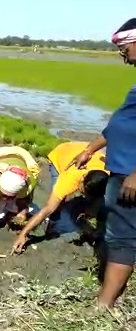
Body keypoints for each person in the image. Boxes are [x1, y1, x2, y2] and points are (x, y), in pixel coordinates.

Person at [65, 18, 136, 309]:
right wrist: (90, 149)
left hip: (130, 175)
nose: (123, 55)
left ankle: (103, 306)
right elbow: (121, 124)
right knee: (117, 232)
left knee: (122, 237)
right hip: (119, 170)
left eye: (125, 47)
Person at [11, 142, 109, 253]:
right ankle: (52, 229)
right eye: (83, 192)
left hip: (86, 153)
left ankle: (83, 219)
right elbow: (46, 210)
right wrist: (23, 234)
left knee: (101, 204)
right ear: (82, 180)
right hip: (61, 155)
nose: (83, 195)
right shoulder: (69, 178)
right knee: (57, 207)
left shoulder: (108, 176)